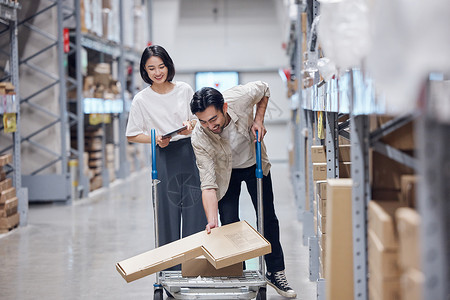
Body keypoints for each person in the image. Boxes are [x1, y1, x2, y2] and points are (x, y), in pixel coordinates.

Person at [189, 81, 297, 298]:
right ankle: (239, 272)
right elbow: (208, 184)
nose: (210, 126)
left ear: (225, 108)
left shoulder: (240, 96)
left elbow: (266, 88)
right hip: (224, 172)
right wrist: (212, 220)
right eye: (203, 122)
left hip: (254, 163)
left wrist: (259, 119)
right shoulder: (199, 138)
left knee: (267, 218)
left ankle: (275, 272)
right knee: (229, 222)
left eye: (214, 119)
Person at [126, 45, 207, 262]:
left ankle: (194, 268)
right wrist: (156, 139)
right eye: (151, 68)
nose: (157, 72)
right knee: (166, 214)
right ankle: (169, 273)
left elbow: (199, 119)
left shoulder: (184, 89)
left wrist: (191, 124)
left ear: (168, 65)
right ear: (145, 70)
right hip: (163, 156)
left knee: (195, 210)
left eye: (161, 66)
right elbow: (132, 134)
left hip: (190, 152)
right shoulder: (141, 99)